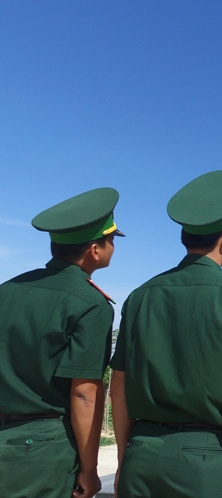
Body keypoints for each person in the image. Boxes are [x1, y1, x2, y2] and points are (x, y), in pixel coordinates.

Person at [110, 171, 222, 498]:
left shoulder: (139, 296)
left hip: (142, 452)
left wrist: (125, 458)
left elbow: (118, 387)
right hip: (204, 461)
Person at [0, 187, 123, 498]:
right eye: (111, 239)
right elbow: (84, 393)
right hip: (42, 449)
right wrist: (89, 468)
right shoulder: (90, 304)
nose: (113, 246)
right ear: (94, 249)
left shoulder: (7, 290)